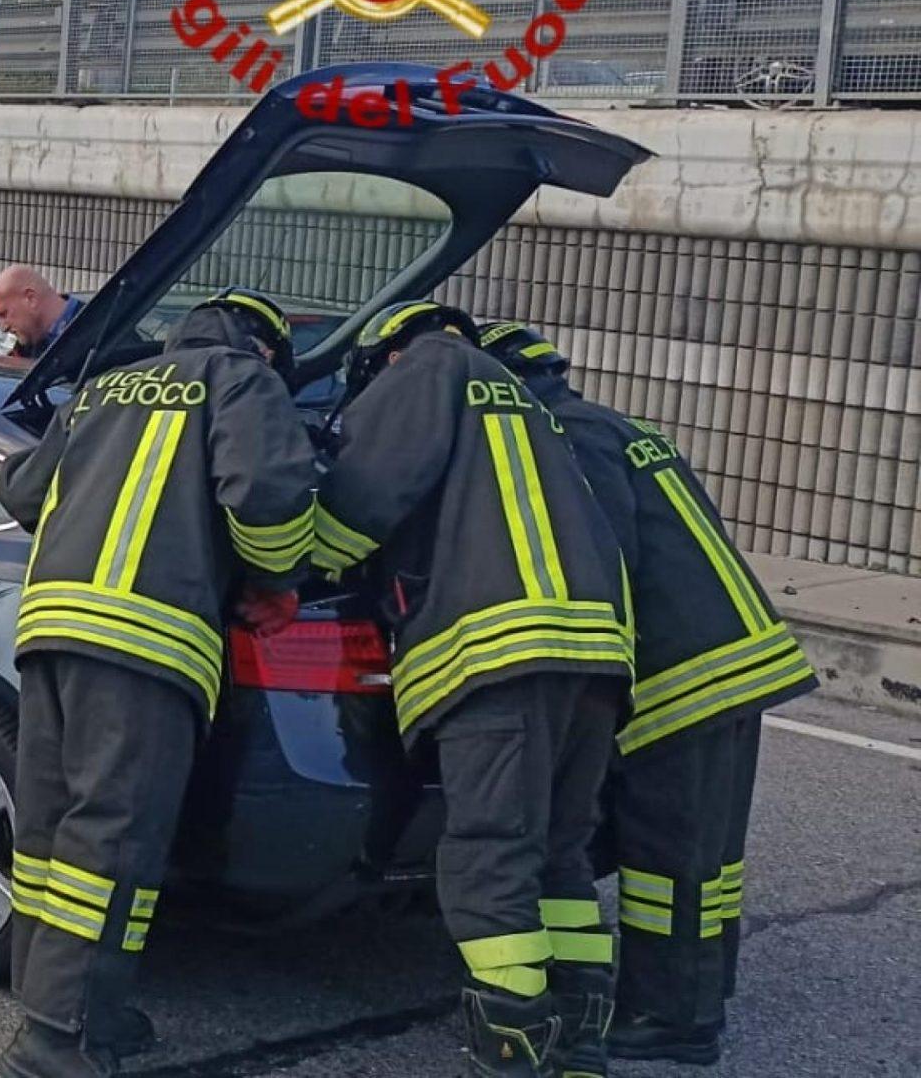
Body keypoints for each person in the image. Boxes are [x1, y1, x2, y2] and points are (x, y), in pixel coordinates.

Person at [0, 289, 318, 1078]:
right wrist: (278, 579)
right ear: (266, 346)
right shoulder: (243, 380)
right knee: (110, 837)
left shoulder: (107, 384)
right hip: (144, 641)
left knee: (49, 830)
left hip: (49, 630)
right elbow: (268, 497)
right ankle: (56, 1037)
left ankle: (67, 1004)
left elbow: (22, 491)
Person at [480, 321, 815, 1070]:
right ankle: (702, 992)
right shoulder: (619, 424)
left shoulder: (566, 438)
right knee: (708, 859)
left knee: (670, 862)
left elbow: (608, 555)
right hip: (735, 654)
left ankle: (674, 1022)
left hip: (681, 675)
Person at [313, 301, 632, 1078]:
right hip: (594, 659)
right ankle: (578, 1044)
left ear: (386, 356)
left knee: (491, 857)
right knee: (559, 852)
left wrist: (299, 564)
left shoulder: (427, 367)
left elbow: (361, 498)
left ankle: (512, 1053)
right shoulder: (529, 402)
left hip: (496, 655)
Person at [0, 265, 85, 363]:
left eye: (4, 314)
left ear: (31, 299)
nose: (3, 328)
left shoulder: (93, 330)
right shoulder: (28, 342)